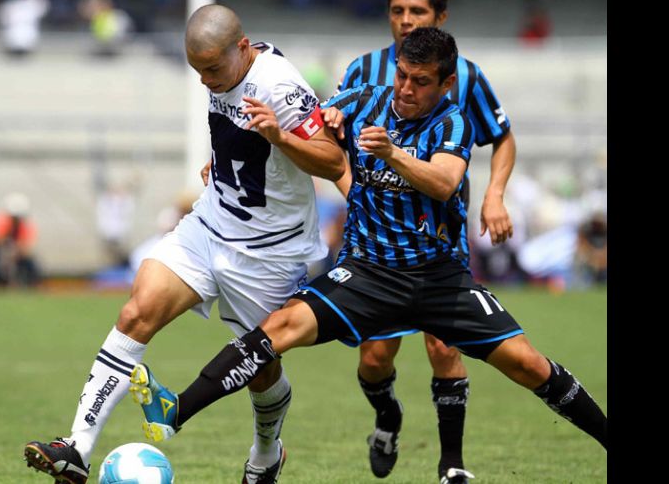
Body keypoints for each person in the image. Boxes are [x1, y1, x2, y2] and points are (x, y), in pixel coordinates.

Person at [130, 28, 607, 484]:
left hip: (439, 279)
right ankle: (176, 410)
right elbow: (307, 128)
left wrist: (394, 154)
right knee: (279, 329)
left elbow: (444, 183)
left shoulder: (453, 121)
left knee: (528, 365)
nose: (406, 88)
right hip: (367, 272)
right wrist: (240, 148)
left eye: (421, 82)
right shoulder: (364, 100)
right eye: (402, 75)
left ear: (446, 83)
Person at [23, 5, 345, 484]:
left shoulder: (279, 86)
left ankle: (267, 451)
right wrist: (226, 162)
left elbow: (332, 159)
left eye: (212, 69)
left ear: (242, 48)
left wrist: (279, 135)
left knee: (260, 369)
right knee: (137, 310)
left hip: (269, 252)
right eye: (197, 70)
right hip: (209, 226)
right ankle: (77, 449)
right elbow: (236, 128)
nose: (204, 81)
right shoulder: (222, 73)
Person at [333, 0, 517, 480]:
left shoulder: (466, 77)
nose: (406, 20)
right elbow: (331, 143)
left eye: (417, 9)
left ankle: (451, 464)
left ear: (441, 16)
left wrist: (494, 196)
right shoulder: (363, 72)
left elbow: (502, 136)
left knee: (444, 345)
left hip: (440, 238)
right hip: (376, 243)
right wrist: (352, 188)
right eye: (397, 9)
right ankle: (387, 417)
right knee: (375, 358)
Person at [0, 192, 40, 287]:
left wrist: (17, 251)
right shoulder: (0, 221)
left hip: (16, 253)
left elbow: (26, 247)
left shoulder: (25, 225)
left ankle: (32, 285)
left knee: (32, 266)